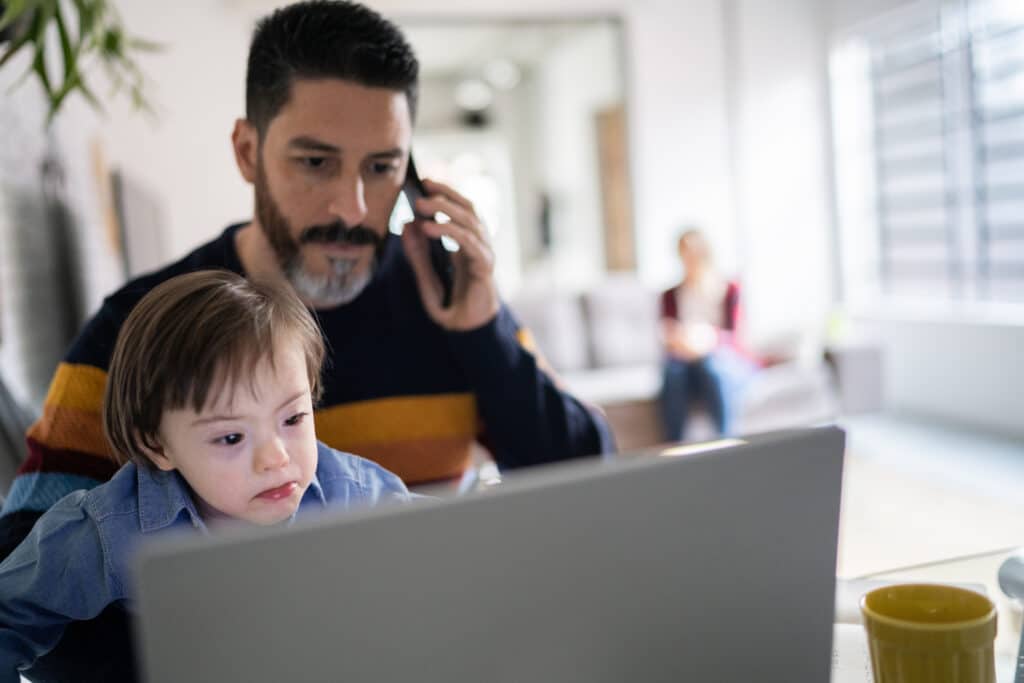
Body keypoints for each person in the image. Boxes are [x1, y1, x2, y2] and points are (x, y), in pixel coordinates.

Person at [0, 2, 611, 678]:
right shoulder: (137, 330)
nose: (351, 207)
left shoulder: (456, 301)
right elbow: (29, 570)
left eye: (382, 167)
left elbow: (596, 494)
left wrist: (484, 332)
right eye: (316, 161)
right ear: (247, 151)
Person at [0, 270, 412, 680]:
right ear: (157, 446)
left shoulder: (359, 495)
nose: (276, 457)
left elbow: (449, 562)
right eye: (231, 437)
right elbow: (10, 614)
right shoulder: (112, 530)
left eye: (294, 417)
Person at [658, 228, 753, 442]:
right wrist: (679, 341)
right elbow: (666, 332)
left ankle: (726, 440)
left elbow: (736, 338)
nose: (689, 259)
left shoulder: (728, 290)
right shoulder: (670, 295)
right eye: (684, 253)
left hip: (717, 355)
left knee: (712, 368)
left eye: (694, 253)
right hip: (683, 359)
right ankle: (675, 443)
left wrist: (709, 339)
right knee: (672, 373)